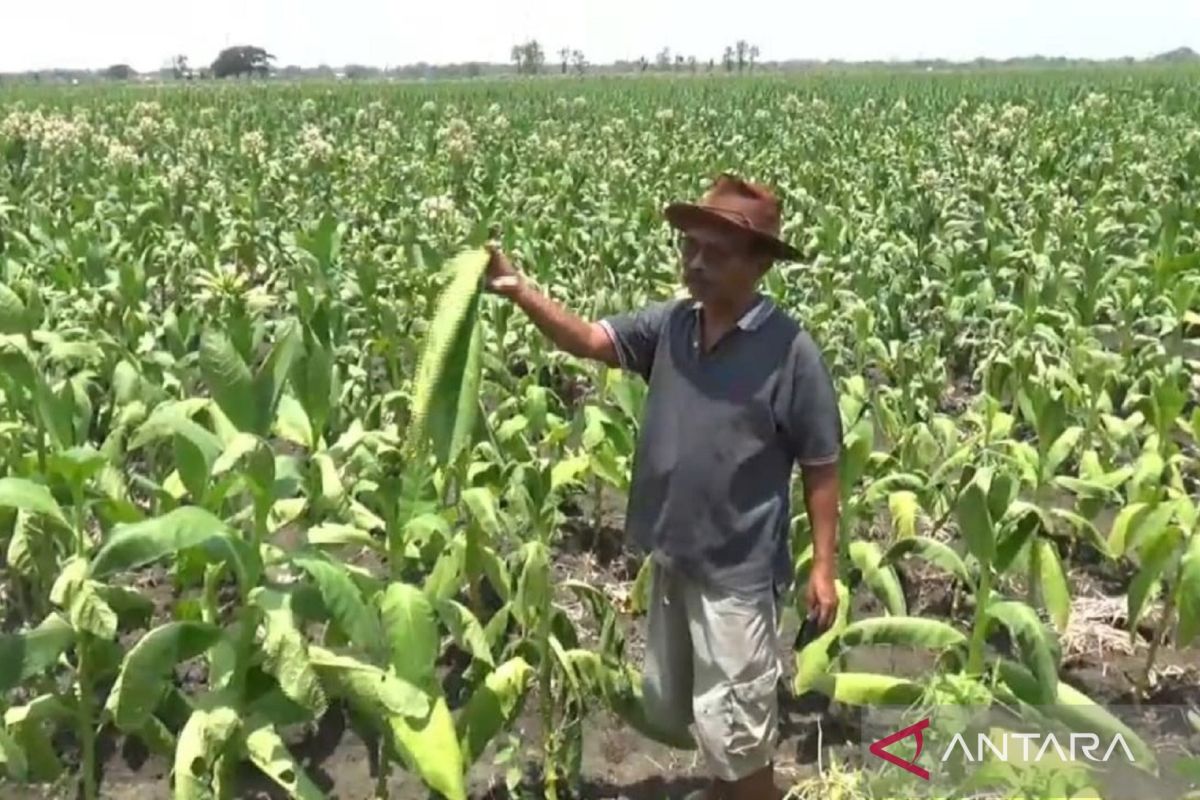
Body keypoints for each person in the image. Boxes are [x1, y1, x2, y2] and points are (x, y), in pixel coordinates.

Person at [484, 173, 842, 800]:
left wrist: (824, 566)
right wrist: (522, 294)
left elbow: (821, 462)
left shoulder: (790, 351)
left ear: (758, 264)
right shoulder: (673, 326)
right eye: (690, 249)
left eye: (716, 253)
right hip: (674, 557)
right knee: (701, 708)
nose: (696, 263)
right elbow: (592, 340)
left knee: (740, 723)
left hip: (737, 570)